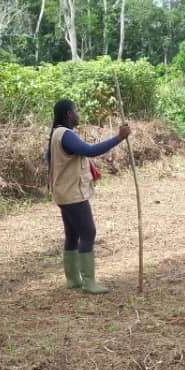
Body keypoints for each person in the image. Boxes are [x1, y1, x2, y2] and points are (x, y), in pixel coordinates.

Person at [47, 99, 130, 294]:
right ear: (68, 114)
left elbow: (48, 158)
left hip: (63, 192)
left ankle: (73, 279)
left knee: (72, 234)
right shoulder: (66, 135)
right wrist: (119, 137)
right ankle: (89, 282)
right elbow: (91, 151)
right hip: (73, 193)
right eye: (76, 111)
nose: (78, 114)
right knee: (88, 233)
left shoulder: (55, 134)